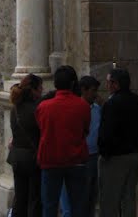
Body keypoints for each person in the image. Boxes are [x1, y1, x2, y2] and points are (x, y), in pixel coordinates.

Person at [35, 65, 90, 217]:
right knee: (77, 204)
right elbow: (85, 130)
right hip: (76, 159)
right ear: (73, 84)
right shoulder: (83, 105)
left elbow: (41, 128)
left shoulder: (43, 107)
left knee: (50, 206)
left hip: (50, 159)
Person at [97, 68, 138, 217]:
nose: (107, 86)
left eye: (109, 82)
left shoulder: (112, 104)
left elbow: (106, 133)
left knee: (109, 200)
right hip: (133, 154)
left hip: (114, 157)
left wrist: (104, 152)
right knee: (129, 197)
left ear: (115, 84)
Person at [60, 75, 101, 217]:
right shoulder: (75, 108)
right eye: (93, 90)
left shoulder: (97, 109)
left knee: (90, 195)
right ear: (83, 90)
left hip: (94, 155)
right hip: (77, 157)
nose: (96, 94)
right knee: (74, 196)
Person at [8, 73, 43, 217]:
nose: (42, 90)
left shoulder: (15, 108)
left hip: (17, 156)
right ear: (33, 90)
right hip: (32, 157)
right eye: (40, 87)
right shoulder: (37, 109)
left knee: (20, 197)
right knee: (34, 199)